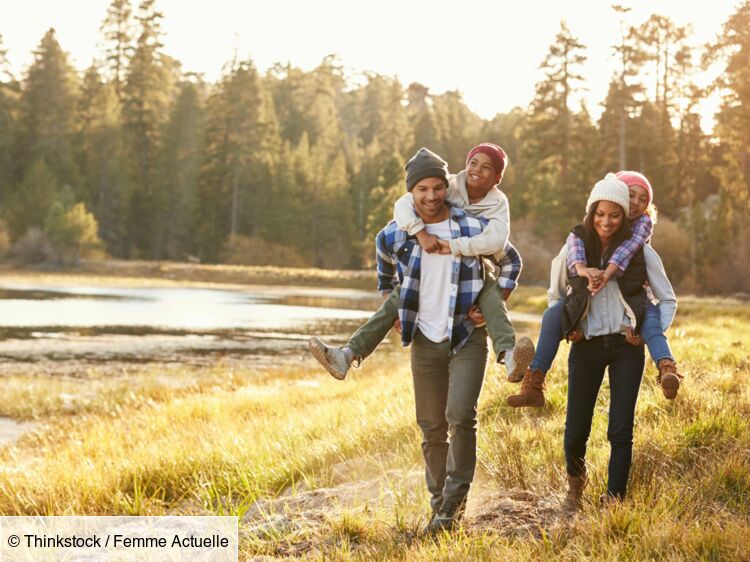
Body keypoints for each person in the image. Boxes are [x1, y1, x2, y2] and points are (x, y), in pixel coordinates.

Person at [346, 148, 492, 532]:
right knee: (431, 426)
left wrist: (495, 302)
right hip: (425, 339)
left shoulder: (471, 227)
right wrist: (395, 307)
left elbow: (510, 259)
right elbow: (384, 272)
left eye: (438, 187)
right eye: (422, 189)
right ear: (411, 193)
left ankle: (454, 502)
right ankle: (440, 506)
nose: (431, 196)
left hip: (466, 335)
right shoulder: (394, 233)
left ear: (448, 187)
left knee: (460, 416)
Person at [310, 143, 533, 382]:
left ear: (497, 178)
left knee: (490, 292)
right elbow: (404, 204)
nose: (476, 169)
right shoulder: (446, 187)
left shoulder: (496, 207)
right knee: (400, 295)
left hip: (475, 269)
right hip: (428, 271)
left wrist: (490, 303)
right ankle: (347, 355)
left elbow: (502, 245)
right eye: (473, 163)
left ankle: (509, 356)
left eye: (487, 167)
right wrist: (420, 233)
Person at [546, 174, 677, 510]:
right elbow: (555, 295)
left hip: (625, 347)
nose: (608, 219)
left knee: (620, 428)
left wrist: (646, 332)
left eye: (617, 213)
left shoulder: (642, 253)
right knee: (576, 427)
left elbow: (667, 300)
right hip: (586, 345)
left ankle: (615, 498)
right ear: (595, 212)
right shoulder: (575, 247)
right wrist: (568, 326)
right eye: (603, 213)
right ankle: (575, 486)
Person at [507, 170, 682, 408]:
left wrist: (607, 273)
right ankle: (534, 380)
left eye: (643, 200)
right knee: (552, 315)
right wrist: (571, 321)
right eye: (631, 196)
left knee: (651, 321)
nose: (636, 204)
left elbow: (627, 252)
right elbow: (562, 276)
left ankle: (667, 367)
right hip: (586, 319)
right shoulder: (581, 236)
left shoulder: (640, 234)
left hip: (634, 305)